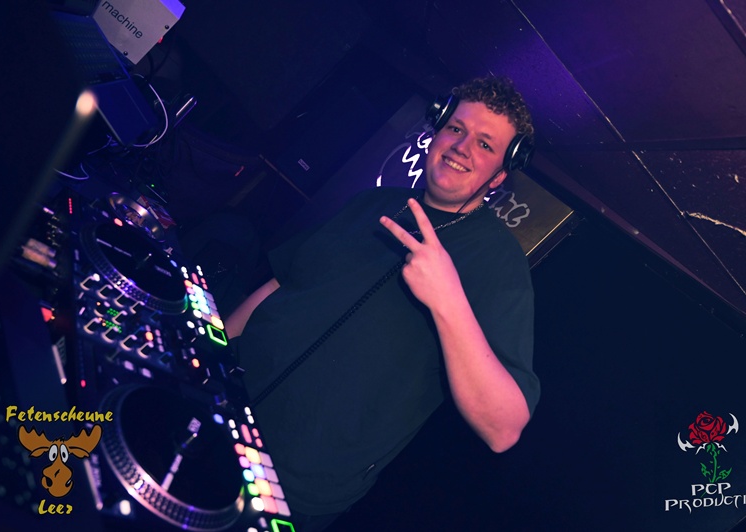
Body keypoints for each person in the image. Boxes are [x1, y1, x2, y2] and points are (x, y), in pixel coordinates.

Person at [226, 76, 540, 531]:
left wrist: (448, 300)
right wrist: (209, 353)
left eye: (485, 144)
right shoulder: (373, 203)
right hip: (222, 406)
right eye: (456, 128)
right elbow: (281, 285)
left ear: (501, 173)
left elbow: (503, 429)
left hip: (288, 481)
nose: (462, 147)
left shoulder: (499, 264)